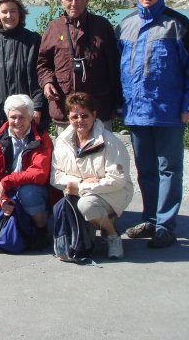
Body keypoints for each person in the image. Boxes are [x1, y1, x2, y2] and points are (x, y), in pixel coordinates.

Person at [116, 0, 189, 249]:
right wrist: (119, 105)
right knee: (145, 169)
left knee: (169, 168)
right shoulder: (125, 26)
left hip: (169, 111)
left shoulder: (178, 25)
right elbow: (115, 69)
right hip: (136, 112)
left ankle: (166, 225)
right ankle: (151, 218)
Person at [51, 92, 133, 259]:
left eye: (84, 115)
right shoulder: (62, 141)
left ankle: (112, 235)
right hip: (79, 191)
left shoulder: (110, 141)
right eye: (74, 116)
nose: (80, 120)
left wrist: (81, 187)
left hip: (113, 192)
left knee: (87, 206)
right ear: (68, 117)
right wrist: (81, 182)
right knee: (71, 207)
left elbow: (117, 180)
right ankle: (88, 232)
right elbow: (55, 176)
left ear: (94, 115)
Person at [37, 0, 121, 135]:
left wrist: (116, 103)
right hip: (64, 109)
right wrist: (47, 82)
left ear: (87, 0)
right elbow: (43, 63)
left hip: (98, 108)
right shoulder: (54, 28)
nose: (73, 3)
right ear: (62, 1)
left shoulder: (102, 26)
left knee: (101, 155)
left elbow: (114, 67)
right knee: (67, 156)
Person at [0, 95, 52, 250]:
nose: (17, 122)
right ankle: (19, 230)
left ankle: (41, 230)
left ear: (31, 117)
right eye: (13, 117)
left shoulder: (42, 137)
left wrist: (7, 181)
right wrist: (3, 201)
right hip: (9, 190)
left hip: (32, 188)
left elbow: (39, 174)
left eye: (22, 117)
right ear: (7, 117)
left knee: (28, 193)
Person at [0, 0, 43, 136]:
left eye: (13, 11)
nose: (9, 16)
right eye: (4, 12)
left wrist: (37, 106)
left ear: (20, 13)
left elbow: (38, 75)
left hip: (27, 113)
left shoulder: (32, 41)